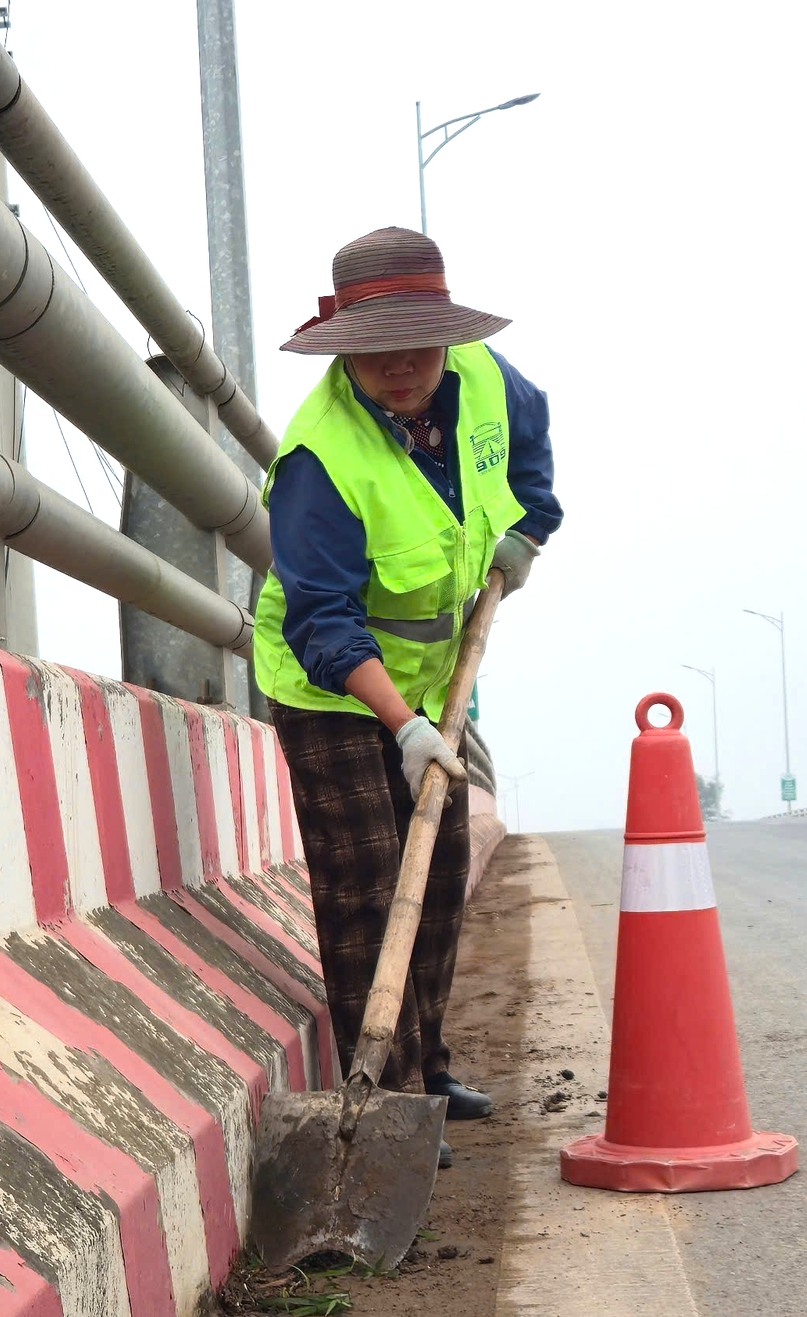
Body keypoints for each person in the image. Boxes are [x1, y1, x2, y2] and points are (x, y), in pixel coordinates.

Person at [254, 227, 561, 1166]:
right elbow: (323, 621)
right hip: (331, 691)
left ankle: (426, 1074)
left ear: (445, 332)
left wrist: (524, 538)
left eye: (416, 347)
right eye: (376, 352)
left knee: (435, 880)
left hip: (433, 684)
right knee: (371, 888)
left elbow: (532, 462)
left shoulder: (491, 385)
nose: (399, 369)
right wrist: (404, 728)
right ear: (347, 348)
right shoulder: (321, 460)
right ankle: (383, 1108)